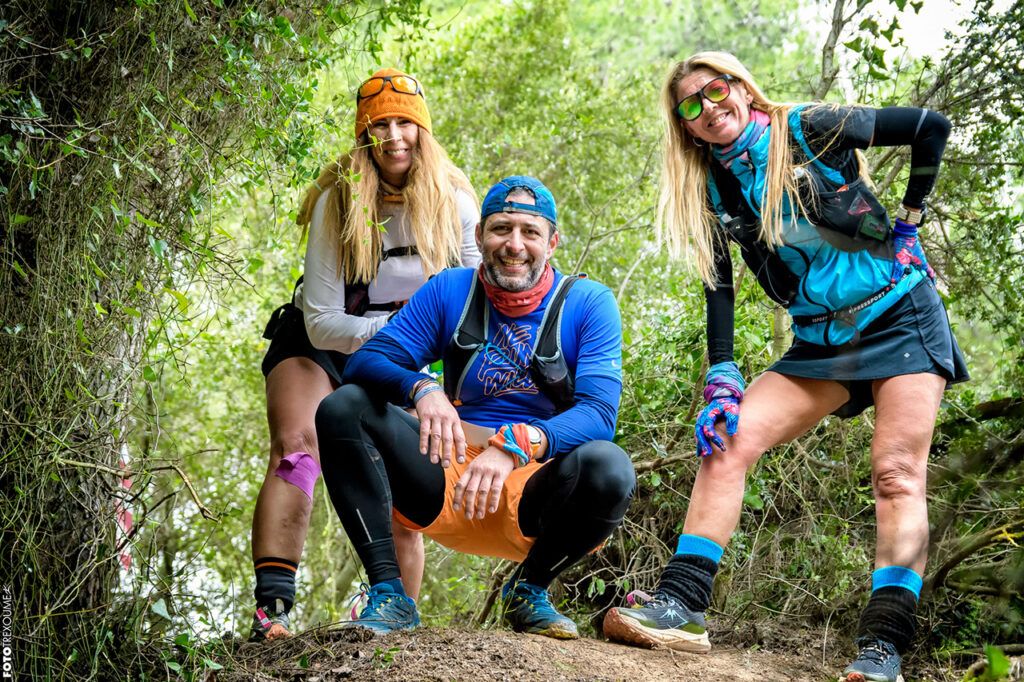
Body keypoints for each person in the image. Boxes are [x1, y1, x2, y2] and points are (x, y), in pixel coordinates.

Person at [601, 52, 967, 682]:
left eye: (717, 90)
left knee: (897, 474)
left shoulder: (809, 127)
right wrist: (722, 372)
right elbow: (718, 286)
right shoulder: (710, 188)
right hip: (821, 340)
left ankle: (882, 650)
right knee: (727, 439)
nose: (709, 107)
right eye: (690, 104)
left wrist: (911, 219)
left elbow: (929, 127)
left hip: (900, 313)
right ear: (684, 125)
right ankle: (681, 608)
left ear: (743, 89)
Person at [314, 175, 636, 639]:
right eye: (501, 228)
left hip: (535, 485)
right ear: (480, 234)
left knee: (610, 466)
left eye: (530, 232)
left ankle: (529, 590)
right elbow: (367, 361)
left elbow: (600, 414)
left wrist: (515, 445)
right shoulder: (451, 290)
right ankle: (389, 594)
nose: (514, 244)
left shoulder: (588, 303)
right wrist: (421, 389)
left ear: (552, 243)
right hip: (446, 472)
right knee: (344, 406)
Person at [250, 68, 481, 641]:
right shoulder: (337, 197)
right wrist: (400, 330)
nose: (394, 136)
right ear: (364, 134)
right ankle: (272, 611)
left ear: (423, 130)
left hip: (406, 354)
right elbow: (322, 321)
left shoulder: (456, 199)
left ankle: (394, 620)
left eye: (405, 122)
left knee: (401, 473)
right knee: (297, 448)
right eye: (380, 125)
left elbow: (477, 305)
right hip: (321, 342)